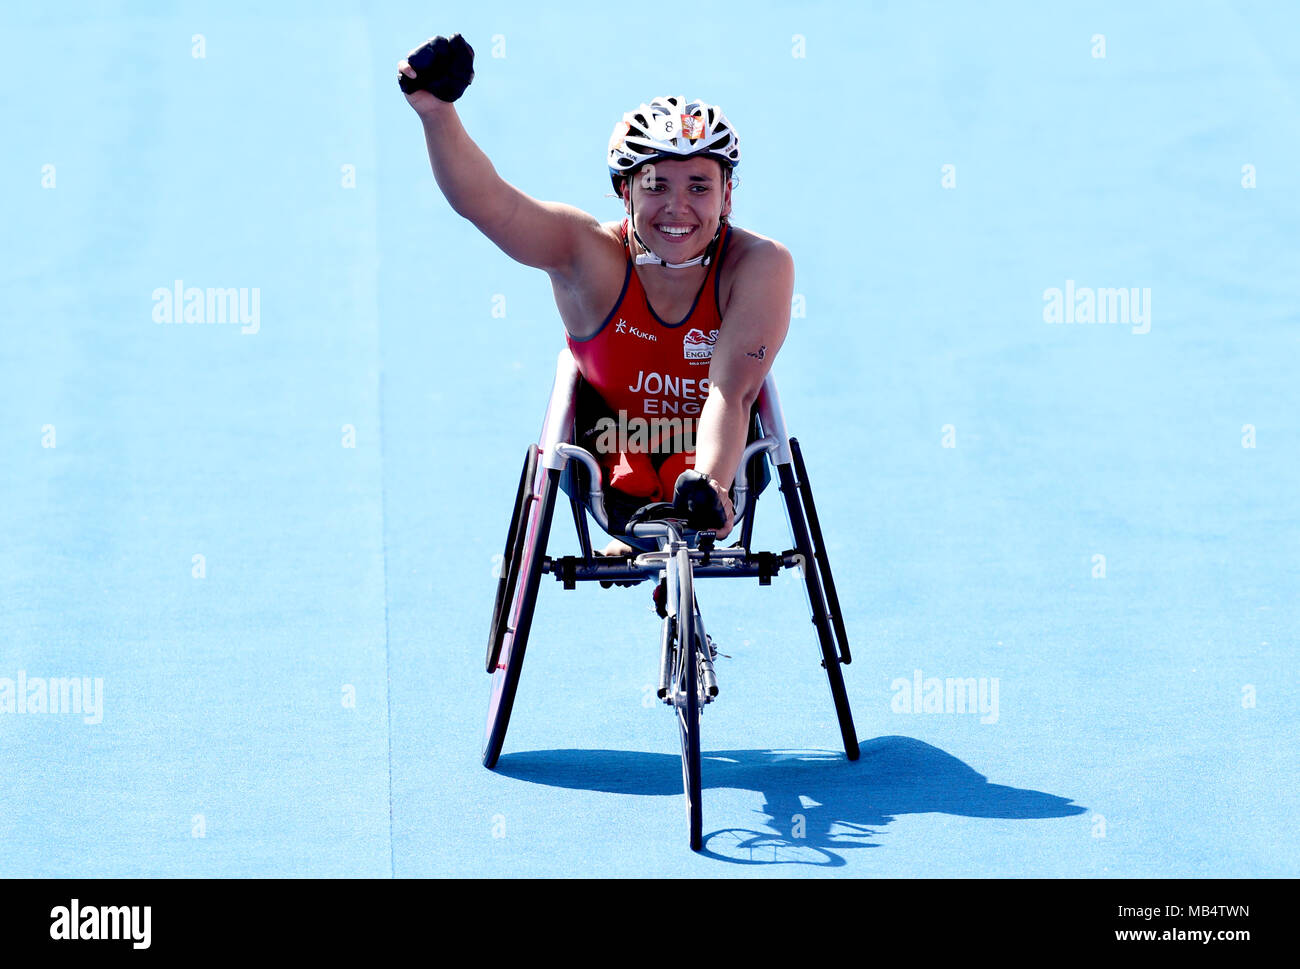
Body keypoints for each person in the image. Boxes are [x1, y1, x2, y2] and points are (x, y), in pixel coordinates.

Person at [399, 35, 794, 553]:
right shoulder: (588, 255)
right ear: (624, 191)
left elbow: (731, 391)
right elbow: (492, 206)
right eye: (655, 186)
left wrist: (714, 486)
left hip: (716, 466)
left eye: (699, 186)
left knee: (691, 473)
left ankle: (694, 492)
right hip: (608, 461)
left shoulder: (759, 265)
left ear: (727, 197)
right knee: (630, 469)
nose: (677, 208)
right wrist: (436, 112)